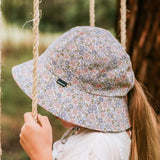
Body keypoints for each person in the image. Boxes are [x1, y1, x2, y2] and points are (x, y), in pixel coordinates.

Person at [12, 26, 160, 160]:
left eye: (62, 94)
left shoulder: (95, 148)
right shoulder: (103, 136)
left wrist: (40, 154)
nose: (51, 105)